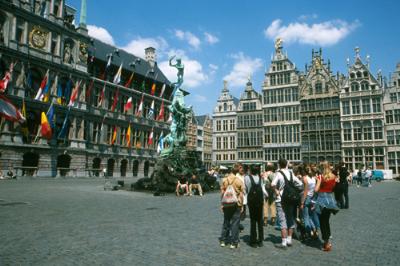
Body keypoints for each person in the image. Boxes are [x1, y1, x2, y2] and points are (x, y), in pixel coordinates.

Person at [272, 158, 303, 249]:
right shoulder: (290, 173)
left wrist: (277, 191)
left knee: (282, 220)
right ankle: (289, 239)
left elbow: (273, 184)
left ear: (279, 165)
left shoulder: (278, 173)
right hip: (290, 199)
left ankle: (284, 242)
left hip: (280, 199)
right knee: (290, 218)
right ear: (286, 164)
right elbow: (300, 183)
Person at [314, 161, 340, 252]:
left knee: (322, 222)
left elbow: (316, 189)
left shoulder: (320, 177)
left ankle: (326, 243)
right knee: (327, 221)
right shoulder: (334, 177)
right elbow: (333, 188)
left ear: (321, 168)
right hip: (330, 200)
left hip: (322, 200)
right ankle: (328, 239)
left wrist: (318, 181)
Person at [220, 167, 244, 249]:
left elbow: (222, 193)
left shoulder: (224, 180)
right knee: (235, 223)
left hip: (226, 203)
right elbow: (241, 194)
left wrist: (222, 203)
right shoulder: (239, 181)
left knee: (226, 221)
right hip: (235, 204)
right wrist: (241, 205)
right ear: (237, 172)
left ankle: (223, 240)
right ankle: (234, 242)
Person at [245, 164, 267, 247]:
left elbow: (247, 189)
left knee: (253, 220)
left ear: (250, 170)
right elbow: (263, 189)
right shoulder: (260, 178)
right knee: (259, 220)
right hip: (260, 201)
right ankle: (260, 240)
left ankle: (253, 241)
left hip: (252, 202)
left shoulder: (247, 178)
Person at [300, 164, 320, 239]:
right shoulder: (314, 178)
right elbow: (316, 189)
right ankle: (314, 229)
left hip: (306, 198)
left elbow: (305, 191)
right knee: (311, 216)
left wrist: (302, 202)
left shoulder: (305, 178)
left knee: (306, 217)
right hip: (312, 198)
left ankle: (309, 232)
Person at [234, 163, 246, 233]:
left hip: (244, 198)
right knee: (238, 213)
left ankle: (238, 225)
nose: (242, 169)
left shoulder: (245, 176)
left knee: (242, 215)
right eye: (240, 168)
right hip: (238, 198)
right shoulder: (236, 176)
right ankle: (237, 227)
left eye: (242, 168)